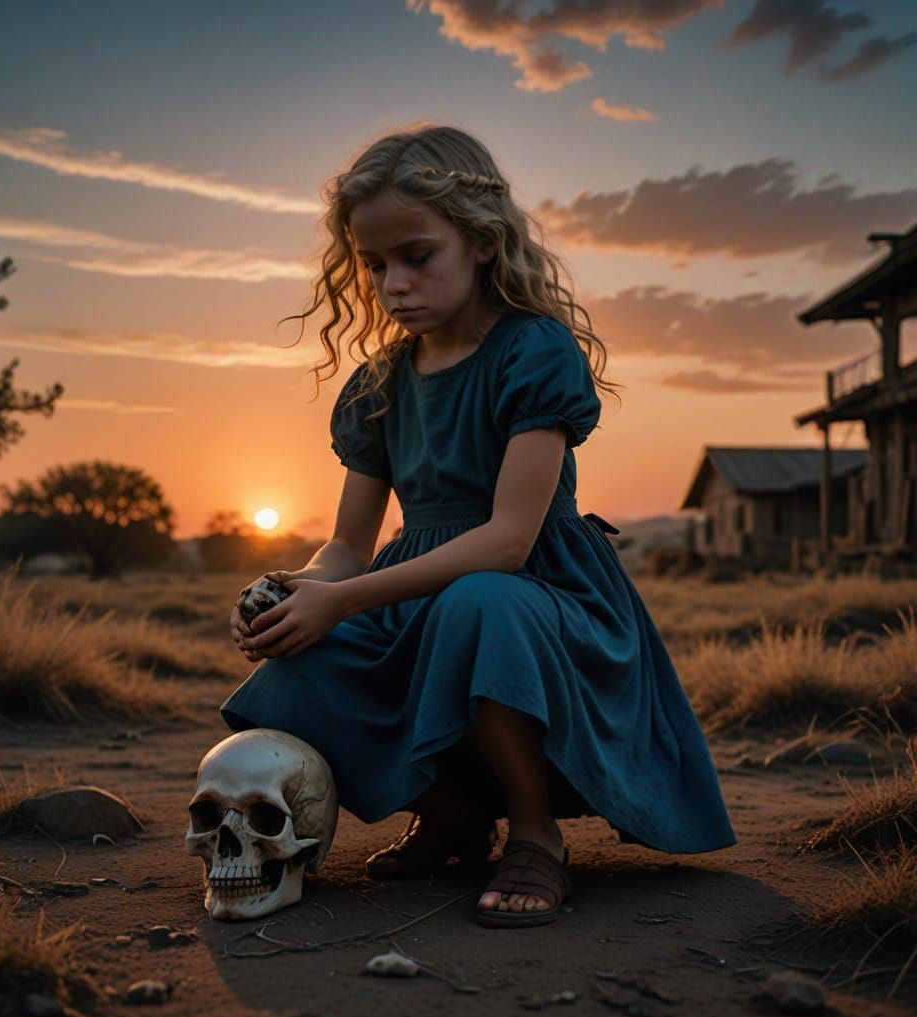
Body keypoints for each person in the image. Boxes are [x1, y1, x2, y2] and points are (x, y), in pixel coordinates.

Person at [221, 123, 736, 929]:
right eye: (374, 264)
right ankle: (453, 813)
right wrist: (301, 591)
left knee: (479, 604)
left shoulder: (534, 351)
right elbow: (349, 546)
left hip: (539, 597)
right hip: (413, 594)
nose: (394, 283)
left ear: (483, 241)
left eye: (417, 255)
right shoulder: (378, 385)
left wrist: (345, 599)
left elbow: (508, 541)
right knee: (295, 663)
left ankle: (535, 833)